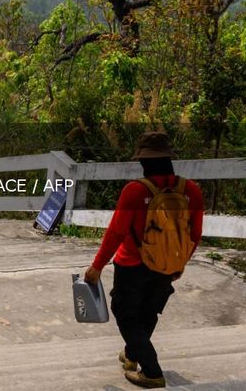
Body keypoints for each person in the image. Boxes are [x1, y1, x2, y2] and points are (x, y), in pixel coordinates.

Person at [84, 131, 204, 389]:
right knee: (148, 312)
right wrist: (180, 262)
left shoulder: (135, 191)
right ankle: (131, 355)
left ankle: (151, 371)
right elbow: (195, 234)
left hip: (132, 264)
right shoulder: (191, 190)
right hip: (167, 264)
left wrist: (97, 266)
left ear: (143, 160)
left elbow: (116, 232)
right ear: (169, 158)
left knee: (126, 314)